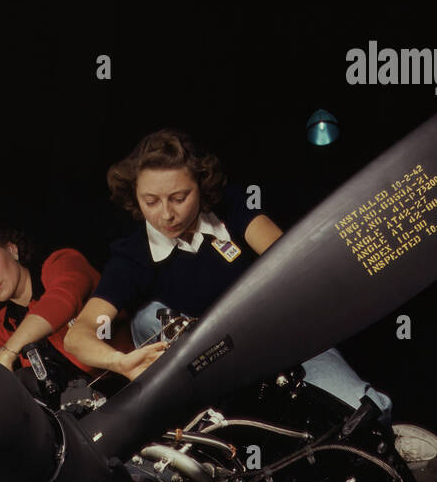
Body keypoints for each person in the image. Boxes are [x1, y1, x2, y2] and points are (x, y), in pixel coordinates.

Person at [63, 128, 392, 412]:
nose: (166, 215)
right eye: (151, 201)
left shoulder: (232, 209)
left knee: (368, 409)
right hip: (209, 375)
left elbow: (293, 262)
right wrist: (119, 362)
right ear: (135, 196)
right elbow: (79, 335)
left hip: (280, 341)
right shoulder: (132, 257)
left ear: (202, 186)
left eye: (179, 197)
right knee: (147, 316)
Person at [0, 213, 152, 387]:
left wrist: (9, 351)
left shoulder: (61, 263)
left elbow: (62, 299)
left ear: (11, 249)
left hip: (143, 372)